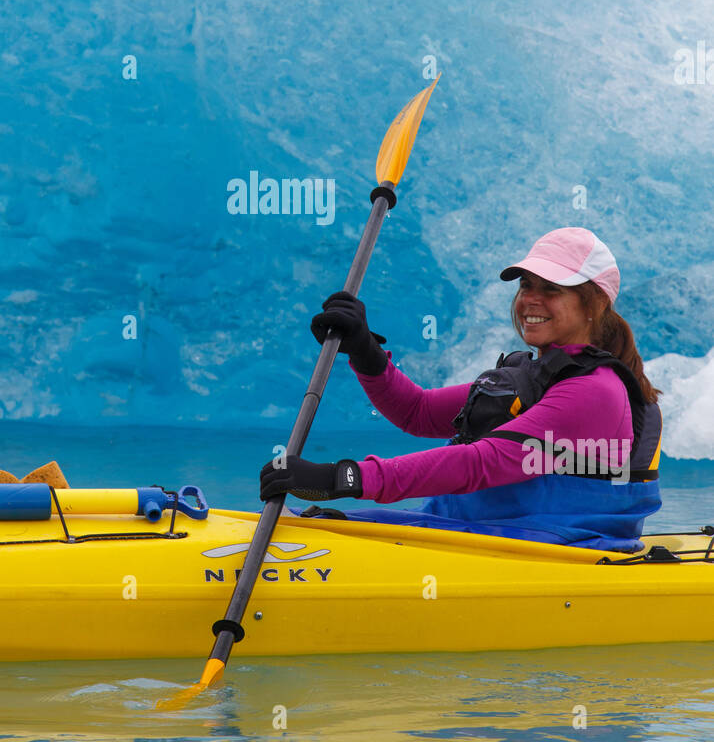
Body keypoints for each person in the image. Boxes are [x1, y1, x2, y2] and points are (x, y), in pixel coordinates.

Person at [260, 228, 663, 551]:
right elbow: (417, 412)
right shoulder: (535, 376)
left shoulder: (596, 392)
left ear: (593, 304)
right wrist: (365, 350)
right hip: (474, 533)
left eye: (551, 289)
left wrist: (347, 477)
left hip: (549, 547)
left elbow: (484, 462)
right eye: (526, 285)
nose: (530, 300)